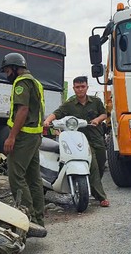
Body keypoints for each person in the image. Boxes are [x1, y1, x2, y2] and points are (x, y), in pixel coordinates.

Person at [43, 76, 109, 206]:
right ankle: (102, 197)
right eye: (77, 87)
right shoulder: (70, 103)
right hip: (80, 141)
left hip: (96, 138)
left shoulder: (95, 101)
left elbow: (104, 114)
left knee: (101, 164)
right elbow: (57, 113)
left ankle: (93, 188)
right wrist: (47, 121)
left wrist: (97, 120)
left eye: (82, 86)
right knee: (93, 165)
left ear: (87, 87)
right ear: (74, 88)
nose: (80, 90)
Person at [0, 52, 46, 227]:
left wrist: (11, 137)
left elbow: (23, 110)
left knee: (16, 177)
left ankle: (27, 218)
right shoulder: (36, 82)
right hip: (34, 136)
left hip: (24, 137)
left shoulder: (21, 82)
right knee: (34, 179)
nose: (6, 74)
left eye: (6, 70)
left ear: (14, 68)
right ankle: (38, 219)